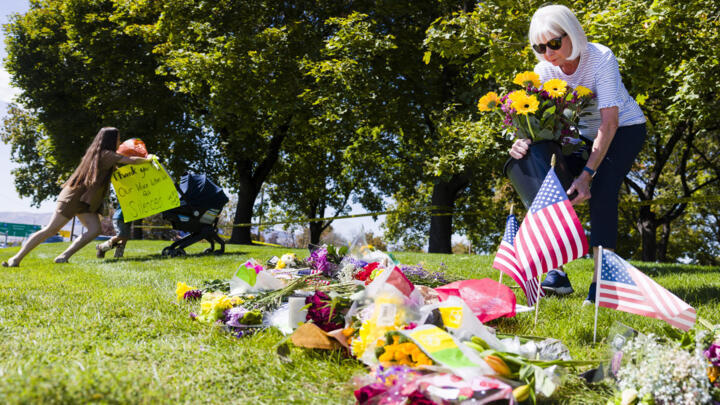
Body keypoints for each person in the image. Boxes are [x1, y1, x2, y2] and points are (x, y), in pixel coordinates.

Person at [509, 5, 646, 305]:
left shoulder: (600, 58)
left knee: (602, 189)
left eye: (554, 43)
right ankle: (555, 272)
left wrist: (586, 175)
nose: (548, 53)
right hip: (581, 134)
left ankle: (603, 285)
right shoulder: (544, 71)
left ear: (572, 34)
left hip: (624, 129)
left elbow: (609, 123)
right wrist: (520, 141)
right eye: (540, 47)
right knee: (535, 160)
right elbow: (542, 124)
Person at [2, 127, 154, 267]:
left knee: (94, 230)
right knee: (51, 229)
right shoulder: (106, 154)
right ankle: (16, 258)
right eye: (118, 139)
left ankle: (64, 256)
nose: (120, 142)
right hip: (73, 197)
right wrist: (149, 159)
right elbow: (131, 160)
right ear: (110, 140)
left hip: (86, 200)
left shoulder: (101, 154)